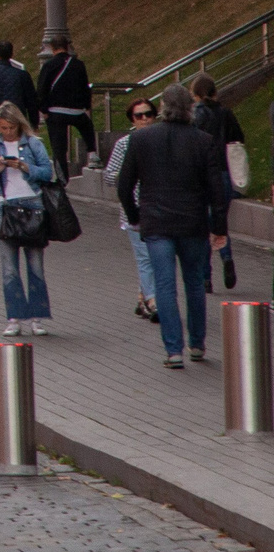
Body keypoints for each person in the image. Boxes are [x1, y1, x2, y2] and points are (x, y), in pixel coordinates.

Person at [116, 82, 232, 369]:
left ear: (163, 107)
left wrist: (134, 215)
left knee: (165, 286)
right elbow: (217, 190)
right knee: (194, 283)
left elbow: (124, 185)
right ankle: (197, 344)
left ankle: (173, 350)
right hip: (193, 222)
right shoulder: (203, 141)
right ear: (190, 108)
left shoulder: (141, 140)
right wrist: (219, 227)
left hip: (156, 222)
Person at [0, 102, 55, 337]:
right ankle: (14, 317)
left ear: (19, 125)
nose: (7, 132)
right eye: (3, 128)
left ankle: (37, 316)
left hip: (32, 204)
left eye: (11, 127)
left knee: (36, 266)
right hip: (5, 207)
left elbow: (47, 172)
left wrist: (24, 166)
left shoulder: (33, 144)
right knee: (9, 269)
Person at [106, 98, 161, 323]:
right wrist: (127, 179)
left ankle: (143, 297)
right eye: (139, 116)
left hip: (159, 208)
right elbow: (110, 176)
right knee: (145, 256)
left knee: (155, 256)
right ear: (132, 120)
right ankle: (153, 301)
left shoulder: (161, 141)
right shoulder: (124, 144)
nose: (145, 119)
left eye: (148, 114)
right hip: (134, 209)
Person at [36, 38, 94, 178]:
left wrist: (44, 110)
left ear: (53, 48)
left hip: (55, 112)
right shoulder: (78, 65)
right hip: (77, 111)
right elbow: (85, 87)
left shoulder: (49, 65)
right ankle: (93, 154)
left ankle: (63, 178)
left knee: (59, 147)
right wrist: (86, 106)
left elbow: (42, 89)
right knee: (87, 128)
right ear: (67, 47)